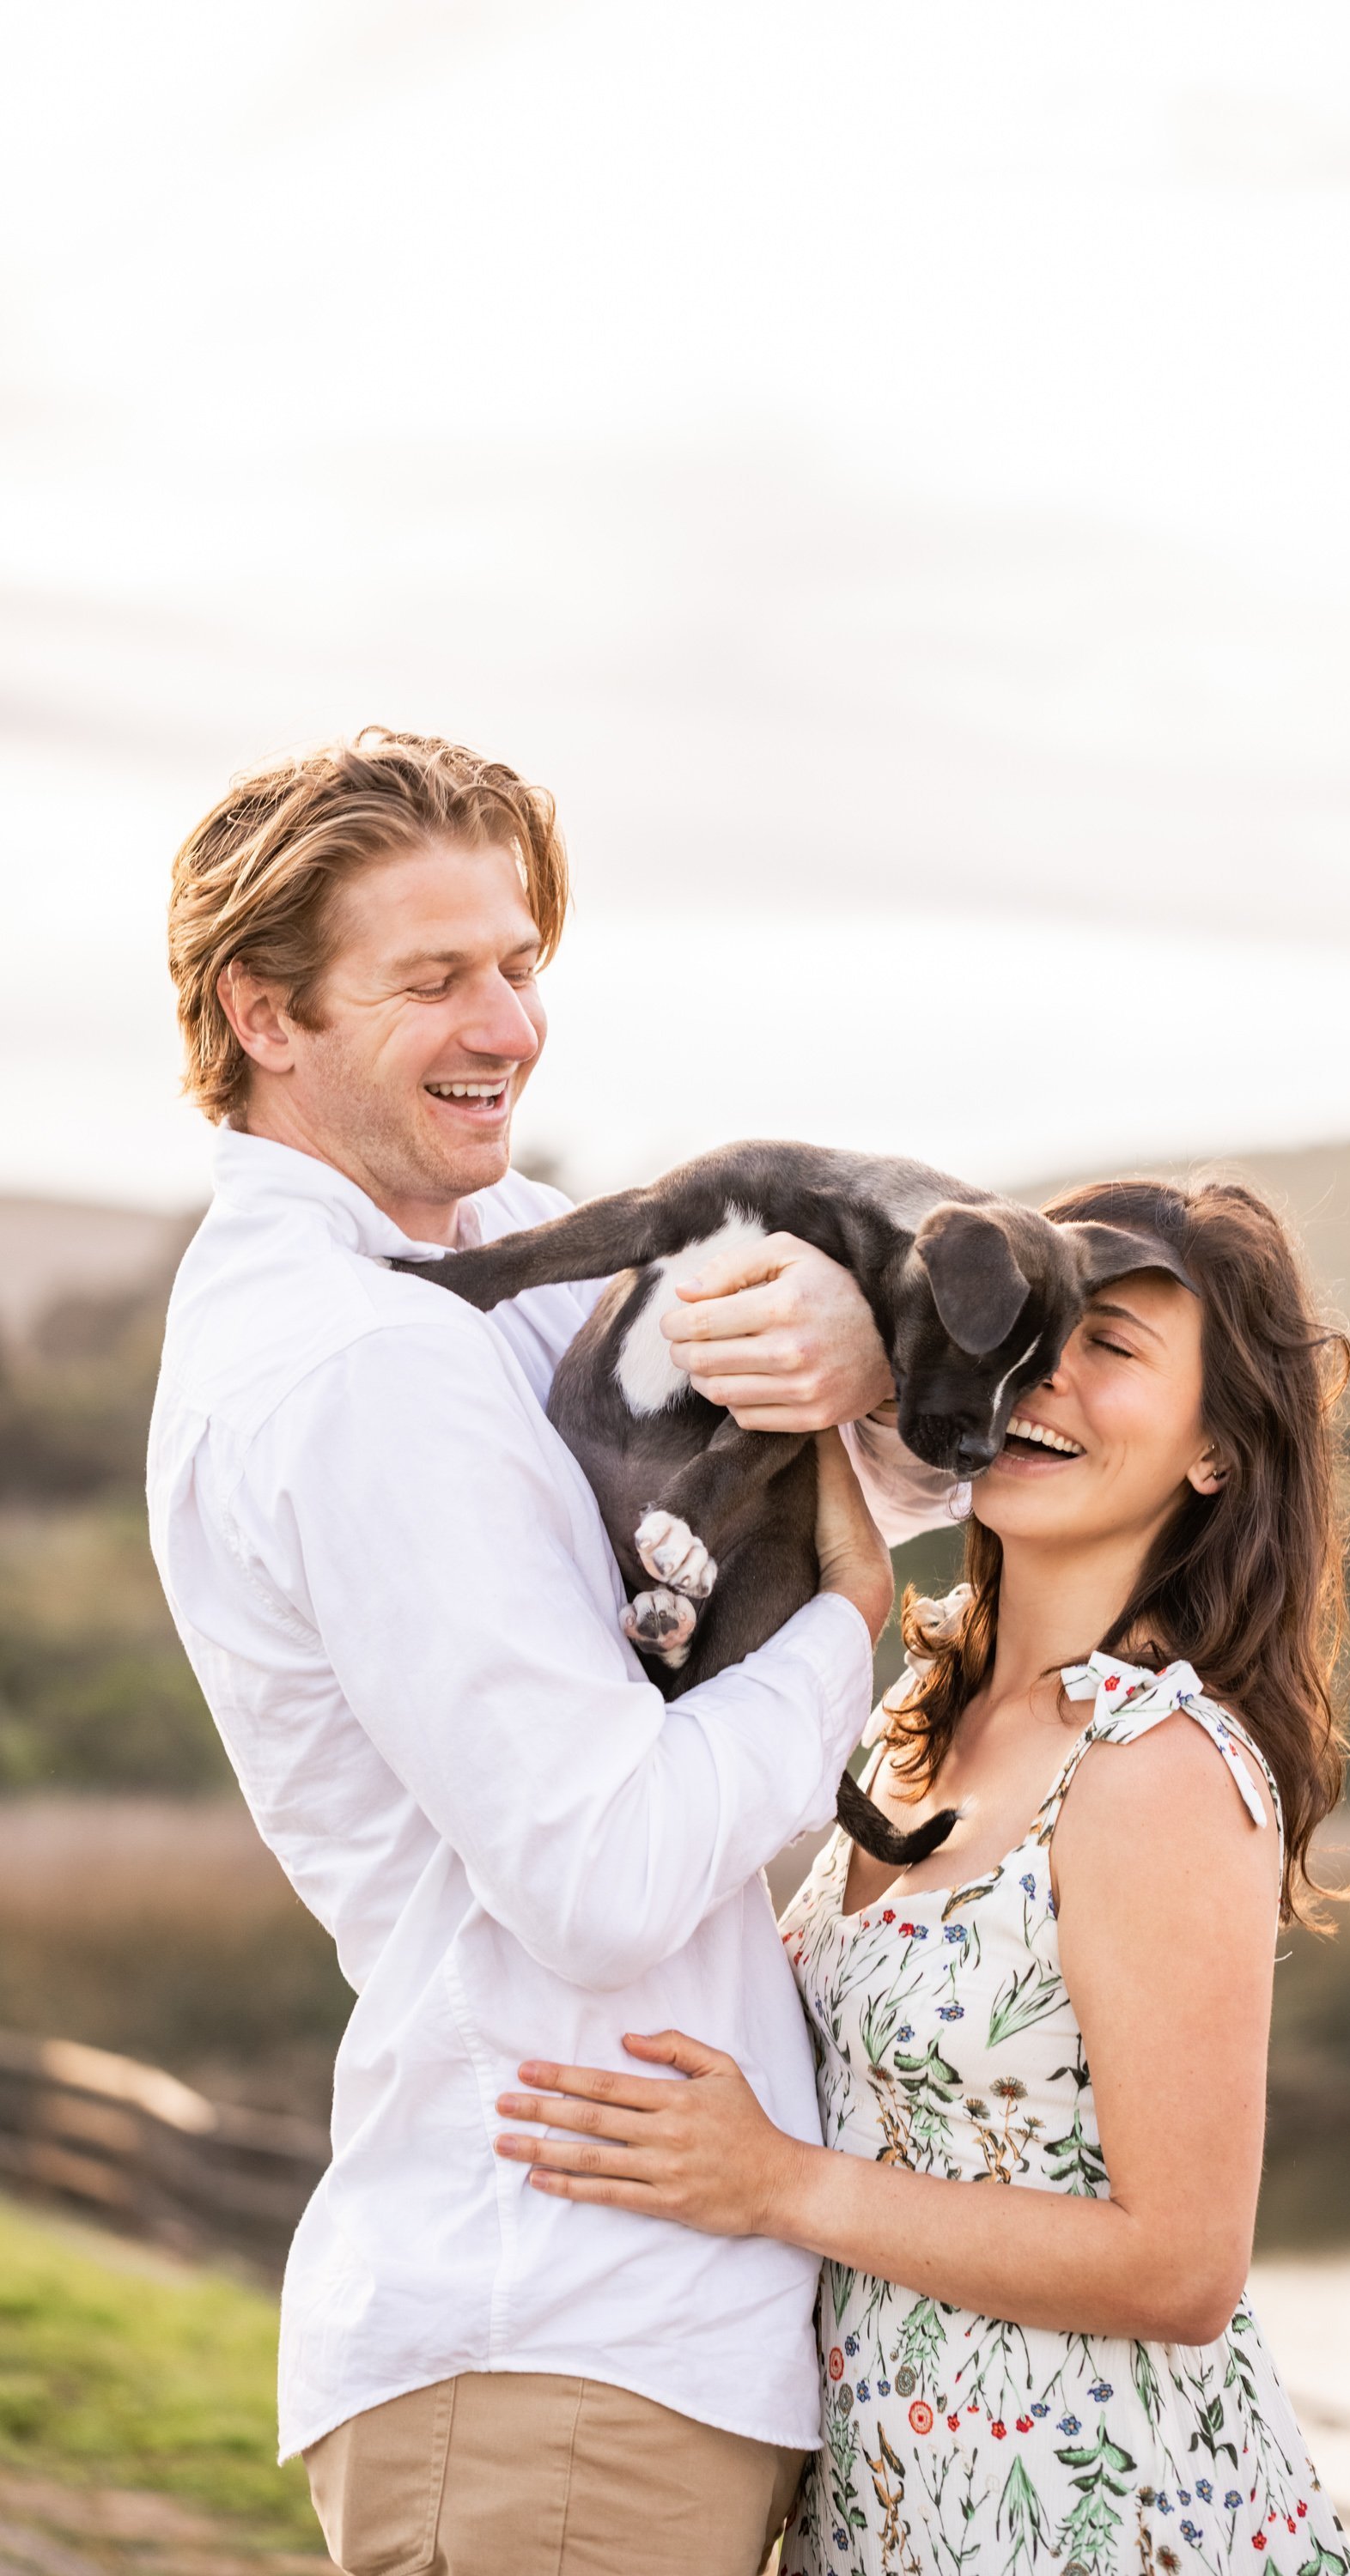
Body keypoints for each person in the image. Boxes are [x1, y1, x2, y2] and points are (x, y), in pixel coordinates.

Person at [147, 727, 954, 2576]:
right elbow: (598, 1875)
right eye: (431, 979)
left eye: (519, 963)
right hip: (548, 2346)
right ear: (263, 1013)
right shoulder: (355, 1364)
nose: (505, 1022)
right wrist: (849, 1636)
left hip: (629, 2341)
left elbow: (863, 1451)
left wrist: (857, 1347)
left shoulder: (490, 1256)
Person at [490, 1177, 1350, 2575]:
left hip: (1110, 2526)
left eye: (1114, 1349)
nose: (1044, 1377)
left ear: (1217, 1452)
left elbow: (1183, 2267)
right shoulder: (912, 1721)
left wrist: (777, 2186)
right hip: (894, 2515)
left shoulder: (1155, 1766)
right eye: (1035, 1329)